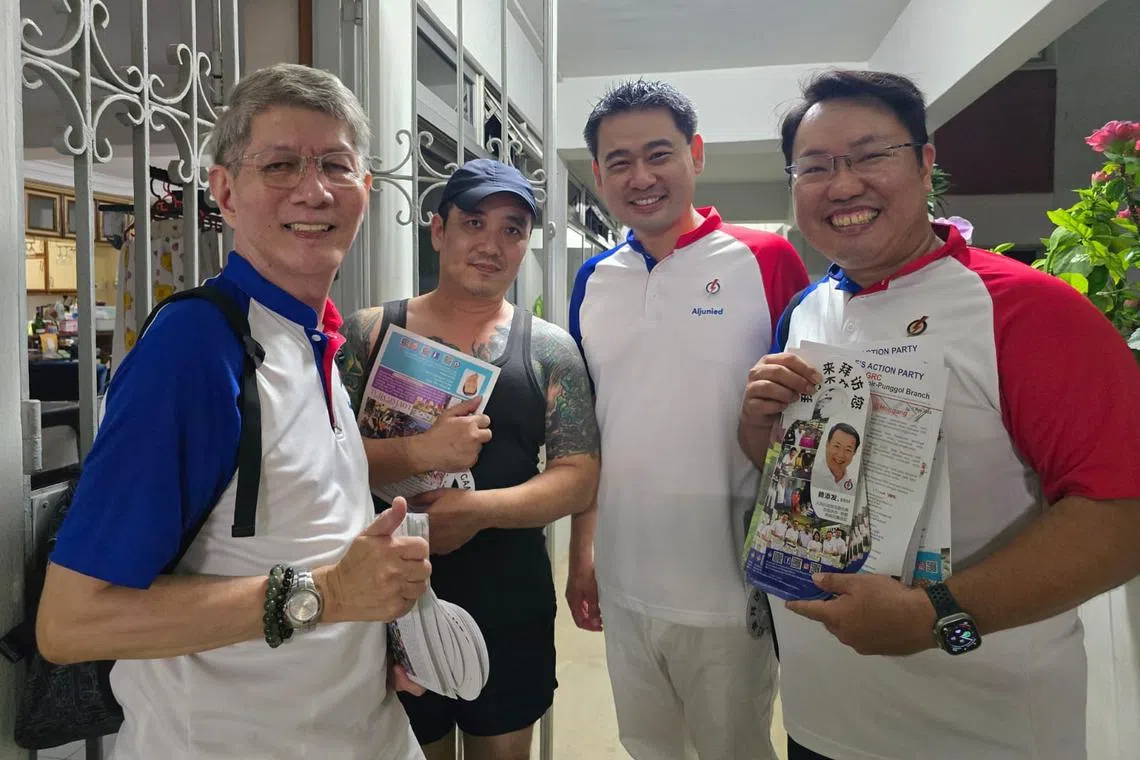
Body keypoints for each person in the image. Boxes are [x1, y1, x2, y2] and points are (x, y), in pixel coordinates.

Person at [738, 69, 1140, 760]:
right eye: (816, 166)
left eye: (870, 155)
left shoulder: (1027, 311)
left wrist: (937, 615)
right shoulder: (805, 312)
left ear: (925, 163)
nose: (842, 185)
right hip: (819, 719)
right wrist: (758, 427)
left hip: (984, 733)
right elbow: (797, 476)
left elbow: (1123, 516)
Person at [34, 63, 433, 760]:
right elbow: (72, 623)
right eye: (279, 165)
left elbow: (292, 545)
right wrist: (332, 596)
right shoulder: (195, 349)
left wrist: (370, 639)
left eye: (335, 165)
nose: (313, 190)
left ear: (365, 190)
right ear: (225, 191)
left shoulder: (316, 339)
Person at [566, 79, 810, 760]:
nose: (641, 178)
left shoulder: (765, 260)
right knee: (646, 744)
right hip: (624, 574)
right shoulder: (594, 280)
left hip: (729, 584)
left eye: (659, 154)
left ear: (695, 154)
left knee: (734, 746)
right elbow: (591, 430)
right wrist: (583, 553)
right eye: (619, 162)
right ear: (598, 176)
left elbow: (806, 421)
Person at [337, 158, 600, 760]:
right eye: (474, 223)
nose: (491, 244)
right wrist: (415, 451)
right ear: (438, 230)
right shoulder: (369, 335)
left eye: (512, 230)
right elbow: (322, 461)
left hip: (507, 598)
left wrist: (477, 512)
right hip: (385, 597)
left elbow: (578, 477)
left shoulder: (549, 350)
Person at [820, 422, 859, 488]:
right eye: (837, 446)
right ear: (827, 444)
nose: (841, 455)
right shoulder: (813, 475)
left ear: (854, 453)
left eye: (848, 450)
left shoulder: (853, 486)